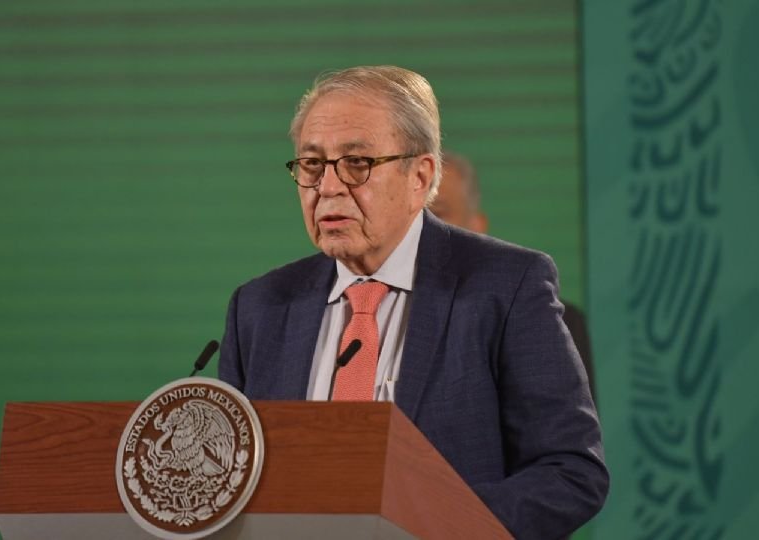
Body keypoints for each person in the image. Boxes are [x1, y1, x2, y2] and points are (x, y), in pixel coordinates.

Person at [219, 66, 608, 539]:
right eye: (312, 164)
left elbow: (570, 472)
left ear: (420, 177)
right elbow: (228, 484)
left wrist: (436, 526)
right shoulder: (259, 308)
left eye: (356, 163)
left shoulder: (505, 286)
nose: (328, 187)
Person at [430, 151, 596, 398]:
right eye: (415, 216)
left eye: (437, 213)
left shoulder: (552, 322)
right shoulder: (377, 312)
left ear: (477, 228)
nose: (422, 227)